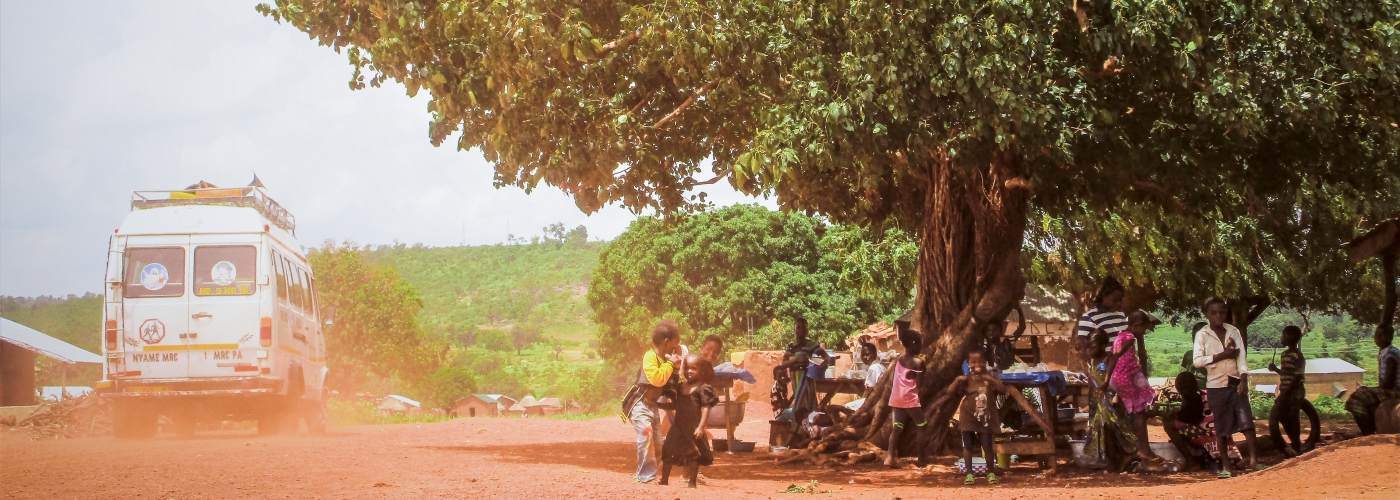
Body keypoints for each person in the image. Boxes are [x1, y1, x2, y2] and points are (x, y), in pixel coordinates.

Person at [1192, 297, 1258, 478]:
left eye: (1222, 311)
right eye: (1213, 312)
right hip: (1216, 385)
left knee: (1246, 422)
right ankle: (1226, 467)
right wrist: (1223, 355)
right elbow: (1197, 361)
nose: (1218, 315)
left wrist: (1244, 379)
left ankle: (1254, 461)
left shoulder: (1233, 331)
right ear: (1206, 314)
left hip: (1236, 381)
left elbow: (1241, 357)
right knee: (1221, 427)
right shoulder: (1203, 335)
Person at [627, 319, 682, 483]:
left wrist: (675, 368)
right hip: (640, 405)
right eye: (674, 344)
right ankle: (645, 477)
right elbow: (657, 379)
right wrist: (671, 364)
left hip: (652, 407)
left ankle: (649, 475)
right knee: (646, 436)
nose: (676, 348)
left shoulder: (666, 361)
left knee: (658, 443)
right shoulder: (649, 356)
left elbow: (670, 382)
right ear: (666, 342)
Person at [1084, 329, 1139, 472]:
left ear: (1103, 345)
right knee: (1103, 431)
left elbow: (1119, 379)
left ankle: (1122, 459)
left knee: (1115, 429)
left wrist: (1117, 396)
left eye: (1094, 346)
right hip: (1099, 403)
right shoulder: (1091, 361)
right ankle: (1113, 462)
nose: (1090, 350)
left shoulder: (1109, 360)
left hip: (1111, 401)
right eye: (1088, 347)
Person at [659, 355, 718, 488]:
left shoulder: (703, 388)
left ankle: (692, 482)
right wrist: (658, 405)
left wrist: (701, 427)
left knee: (694, 455)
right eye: (687, 368)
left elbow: (706, 408)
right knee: (668, 450)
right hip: (678, 426)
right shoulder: (680, 387)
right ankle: (664, 479)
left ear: (701, 371)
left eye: (693, 368)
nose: (689, 371)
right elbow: (675, 405)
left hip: (693, 428)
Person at [1115, 311, 1162, 468]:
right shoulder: (1130, 338)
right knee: (1139, 413)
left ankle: (1137, 450)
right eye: (1144, 329)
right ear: (1136, 326)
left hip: (1122, 378)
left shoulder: (1120, 336)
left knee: (1136, 412)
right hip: (1130, 378)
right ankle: (1144, 450)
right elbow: (1121, 360)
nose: (1144, 333)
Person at [951, 350, 1005, 485]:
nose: (977, 364)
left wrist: (990, 379)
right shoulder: (966, 379)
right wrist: (957, 380)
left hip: (984, 418)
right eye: (973, 362)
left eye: (980, 361)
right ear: (968, 363)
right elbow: (950, 392)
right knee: (967, 446)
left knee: (987, 445)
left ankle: (990, 472)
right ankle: (969, 474)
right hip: (968, 416)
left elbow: (1002, 390)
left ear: (985, 362)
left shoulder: (991, 376)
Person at [884, 326, 927, 469]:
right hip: (910, 400)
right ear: (914, 344)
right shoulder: (918, 363)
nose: (921, 346)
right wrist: (923, 368)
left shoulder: (899, 360)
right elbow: (920, 383)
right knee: (922, 425)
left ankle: (890, 456)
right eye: (920, 343)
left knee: (896, 428)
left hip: (896, 399)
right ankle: (921, 458)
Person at [1345, 324, 1400, 435]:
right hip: (1391, 388)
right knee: (1361, 394)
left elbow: (1389, 383)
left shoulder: (1391, 354)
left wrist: (1371, 389)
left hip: (1396, 390)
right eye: (1376, 335)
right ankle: (1371, 429)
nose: (1376, 338)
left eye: (1380, 335)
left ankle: (1368, 433)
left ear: (1388, 337)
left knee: (1356, 398)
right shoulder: (1384, 353)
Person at [779, 318, 832, 434]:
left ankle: (799, 434)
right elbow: (783, 364)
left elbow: (827, 357)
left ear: (807, 330)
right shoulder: (790, 347)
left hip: (806, 381)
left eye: (804, 328)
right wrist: (796, 360)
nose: (801, 330)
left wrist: (825, 363)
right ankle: (808, 434)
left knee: (802, 408)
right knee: (801, 408)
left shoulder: (811, 344)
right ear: (794, 329)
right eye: (798, 327)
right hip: (795, 381)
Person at [1168, 370, 1224, 473]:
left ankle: (1191, 461)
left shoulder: (1191, 399)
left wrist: (1173, 416)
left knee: (1169, 423)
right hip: (1223, 440)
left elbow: (1191, 421)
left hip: (1207, 439)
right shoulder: (1206, 394)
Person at [1267, 325, 1307, 456]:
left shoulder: (1298, 355)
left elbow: (1297, 376)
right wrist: (1276, 369)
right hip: (1286, 390)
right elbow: (1286, 373)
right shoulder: (1284, 354)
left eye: (1284, 336)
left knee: (1293, 416)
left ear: (1291, 338)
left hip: (1295, 391)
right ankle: (1294, 443)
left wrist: (1285, 393)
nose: (1282, 338)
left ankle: (1297, 445)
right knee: (1283, 417)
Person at [1077, 277, 1131, 371]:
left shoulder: (1120, 315)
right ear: (1104, 296)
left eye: (1120, 300)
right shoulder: (1089, 318)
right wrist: (1093, 372)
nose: (1119, 304)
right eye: (1115, 300)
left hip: (1125, 368)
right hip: (1103, 369)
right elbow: (1084, 350)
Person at [1179, 321, 1210, 389]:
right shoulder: (1188, 355)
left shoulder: (1215, 355)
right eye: (1194, 336)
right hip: (1191, 392)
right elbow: (1185, 374)